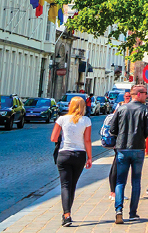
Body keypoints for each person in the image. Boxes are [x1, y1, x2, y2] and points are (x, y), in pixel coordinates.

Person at [108, 84, 148, 224]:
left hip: (122, 148)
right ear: (138, 94)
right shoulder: (146, 110)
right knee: (136, 182)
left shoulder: (121, 109)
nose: (147, 96)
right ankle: (133, 213)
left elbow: (112, 129)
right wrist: (140, 137)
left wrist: (120, 136)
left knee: (120, 181)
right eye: (145, 93)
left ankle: (118, 210)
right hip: (138, 148)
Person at [51, 97, 93, 227]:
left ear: (71, 106)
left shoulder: (62, 119)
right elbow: (87, 140)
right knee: (72, 185)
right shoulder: (86, 120)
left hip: (64, 154)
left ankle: (66, 215)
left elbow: (53, 138)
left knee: (65, 185)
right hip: (79, 155)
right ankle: (67, 213)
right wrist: (90, 157)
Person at [108, 92, 131, 201]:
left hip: (120, 140)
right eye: (126, 97)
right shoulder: (120, 106)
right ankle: (114, 193)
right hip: (120, 140)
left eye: (129, 97)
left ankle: (113, 192)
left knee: (116, 165)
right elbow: (113, 124)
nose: (128, 98)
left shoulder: (128, 106)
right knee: (117, 167)